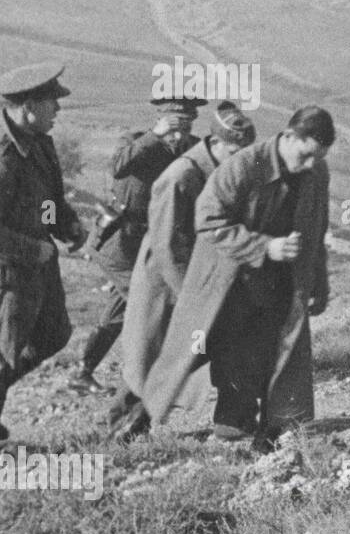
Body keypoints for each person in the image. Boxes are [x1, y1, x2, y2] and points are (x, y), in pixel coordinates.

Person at [142, 106, 333, 448]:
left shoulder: (315, 172)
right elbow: (208, 222)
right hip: (230, 281)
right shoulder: (244, 165)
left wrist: (320, 279)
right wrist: (264, 246)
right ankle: (142, 419)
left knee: (274, 356)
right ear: (289, 137)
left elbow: (316, 228)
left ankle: (268, 432)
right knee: (211, 355)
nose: (309, 165)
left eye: (317, 158)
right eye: (305, 155)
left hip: (280, 281)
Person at [107, 103, 257, 439]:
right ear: (215, 143)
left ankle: (234, 421)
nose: (240, 161)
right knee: (152, 353)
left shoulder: (227, 171)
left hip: (205, 276)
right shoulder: (181, 176)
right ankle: (124, 428)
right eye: (235, 152)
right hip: (167, 281)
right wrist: (192, 299)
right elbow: (166, 246)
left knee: (228, 338)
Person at [74, 96, 203, 393]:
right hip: (118, 245)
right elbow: (117, 167)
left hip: (152, 246)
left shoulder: (193, 149)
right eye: (172, 127)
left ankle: (82, 372)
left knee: (121, 309)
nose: (178, 135)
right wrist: (155, 135)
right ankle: (154, 379)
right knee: (147, 305)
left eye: (185, 127)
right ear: (159, 120)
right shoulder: (136, 142)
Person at [0, 63, 87, 440]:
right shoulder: (4, 154)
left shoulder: (39, 143)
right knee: (7, 348)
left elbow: (47, 200)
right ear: (29, 106)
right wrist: (30, 249)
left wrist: (63, 225)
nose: (59, 109)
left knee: (54, 334)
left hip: (40, 261)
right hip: (10, 268)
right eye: (52, 101)